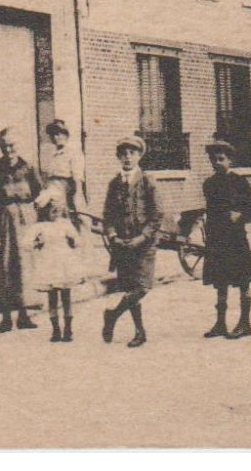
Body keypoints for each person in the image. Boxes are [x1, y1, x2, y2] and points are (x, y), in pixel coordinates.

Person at [200, 139, 251, 340]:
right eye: (213, 159)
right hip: (217, 240)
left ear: (230, 161)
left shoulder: (239, 182)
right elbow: (211, 211)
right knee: (220, 282)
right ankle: (220, 323)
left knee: (243, 281)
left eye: (221, 159)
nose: (217, 163)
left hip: (235, 240)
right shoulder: (208, 184)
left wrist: (240, 215)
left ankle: (245, 323)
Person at [0, 128, 41, 332]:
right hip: (2, 222)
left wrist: (39, 227)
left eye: (12, 145)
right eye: (4, 145)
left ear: (19, 144)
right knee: (3, 266)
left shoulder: (29, 168)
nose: (8, 149)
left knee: (23, 266)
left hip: (26, 221)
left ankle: (24, 315)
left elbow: (40, 197)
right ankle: (6, 317)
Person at [102, 135, 160, 348]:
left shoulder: (147, 181)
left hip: (144, 244)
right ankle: (139, 332)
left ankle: (112, 315)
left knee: (143, 287)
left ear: (139, 156)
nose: (127, 157)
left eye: (132, 153)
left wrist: (142, 237)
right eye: (123, 153)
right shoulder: (114, 184)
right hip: (122, 244)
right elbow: (107, 215)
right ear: (119, 157)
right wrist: (113, 236)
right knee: (130, 287)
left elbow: (157, 215)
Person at [32, 120, 87, 342]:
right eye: (54, 135)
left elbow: (77, 182)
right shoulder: (51, 155)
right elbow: (47, 182)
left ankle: (68, 327)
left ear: (66, 135)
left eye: (60, 134)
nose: (57, 138)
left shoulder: (74, 152)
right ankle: (56, 328)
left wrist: (77, 205)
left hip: (65, 193)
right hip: (51, 195)